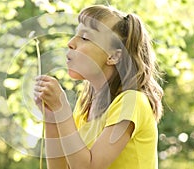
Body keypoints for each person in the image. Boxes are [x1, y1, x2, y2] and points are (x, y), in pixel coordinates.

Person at [34, 4, 163, 169]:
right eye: (75, 34)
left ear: (113, 56)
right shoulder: (85, 107)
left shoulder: (132, 102)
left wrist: (62, 109)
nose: (70, 43)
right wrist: (52, 118)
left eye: (85, 37)